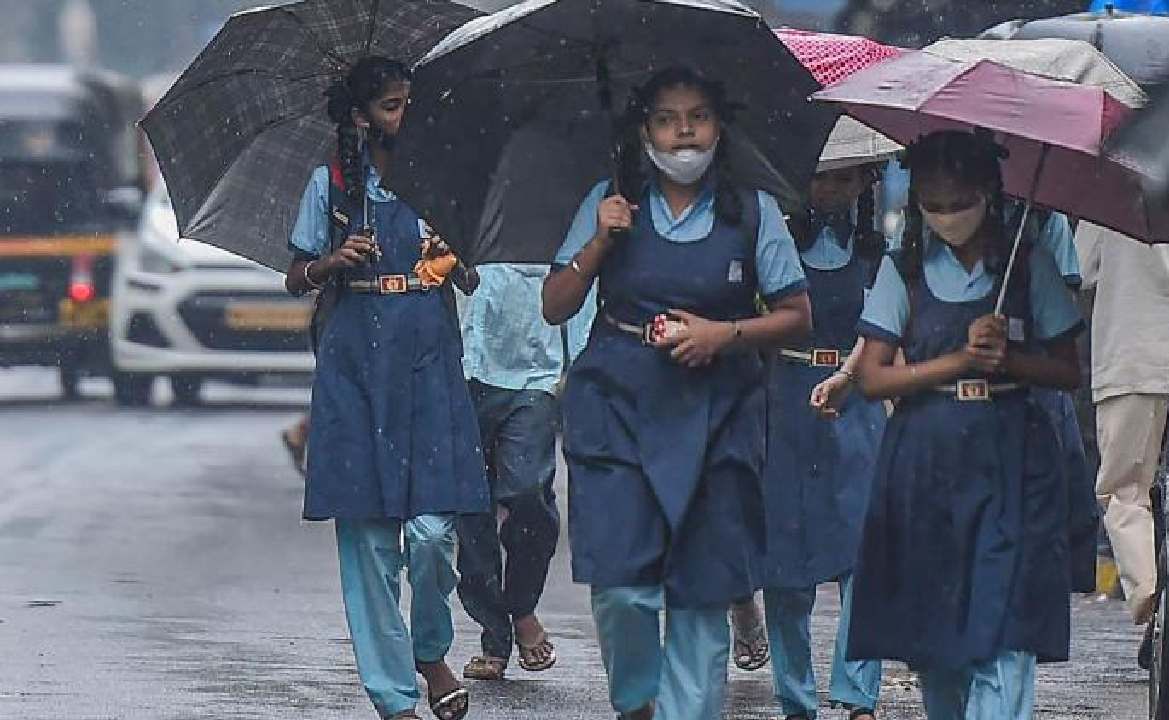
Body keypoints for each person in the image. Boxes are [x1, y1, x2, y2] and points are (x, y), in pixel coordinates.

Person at [541, 66, 813, 720]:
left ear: (720, 126)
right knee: (622, 590)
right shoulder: (609, 201)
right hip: (618, 401)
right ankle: (636, 703)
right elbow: (555, 305)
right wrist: (601, 242)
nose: (683, 131)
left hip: (720, 409)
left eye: (697, 115)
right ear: (644, 131)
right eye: (666, 118)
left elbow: (797, 315)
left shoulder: (753, 211)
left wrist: (725, 334)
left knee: (700, 592)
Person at [824, 129, 1083, 720]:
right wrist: (958, 362)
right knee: (937, 639)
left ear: (989, 193)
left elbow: (1068, 369)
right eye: (933, 206)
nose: (947, 217)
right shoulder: (903, 272)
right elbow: (872, 377)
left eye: (959, 202)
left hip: (1014, 458)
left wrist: (1008, 360)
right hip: (927, 460)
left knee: (1007, 625)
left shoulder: (1028, 264)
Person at [283, 56, 488, 720]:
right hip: (354, 364)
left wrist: (453, 257)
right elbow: (295, 275)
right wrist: (329, 262)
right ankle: (395, 695)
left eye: (409, 104)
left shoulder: (443, 176)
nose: (404, 117)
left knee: (433, 532)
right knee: (368, 542)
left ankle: (429, 649)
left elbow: (474, 277)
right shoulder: (330, 183)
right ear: (360, 116)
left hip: (428, 357)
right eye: (391, 106)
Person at [761, 143, 889, 720]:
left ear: (866, 181)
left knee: (863, 550)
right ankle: (795, 697)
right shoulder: (773, 244)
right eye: (820, 177)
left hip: (858, 403)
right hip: (784, 399)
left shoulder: (880, 250)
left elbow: (887, 328)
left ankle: (858, 692)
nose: (831, 190)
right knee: (785, 561)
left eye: (844, 178)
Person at [453, 262, 594, 680]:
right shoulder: (463, 208)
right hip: (465, 367)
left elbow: (584, 275)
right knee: (471, 507)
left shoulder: (557, 208)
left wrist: (582, 360)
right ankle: (494, 634)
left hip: (535, 372)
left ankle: (521, 605)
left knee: (528, 492)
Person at [1075, 220, 1169, 626]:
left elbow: (1081, 268)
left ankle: (1153, 598)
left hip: (1131, 358)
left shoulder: (1112, 185)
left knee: (1126, 491)